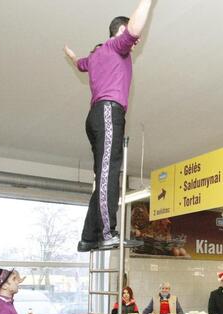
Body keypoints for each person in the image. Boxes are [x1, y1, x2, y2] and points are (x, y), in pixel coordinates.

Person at [64, 0, 153, 252]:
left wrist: (72, 56)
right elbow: (134, 29)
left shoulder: (94, 56)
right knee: (109, 174)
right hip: (107, 112)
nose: (135, 42)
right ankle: (107, 232)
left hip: (97, 116)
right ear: (120, 32)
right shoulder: (116, 46)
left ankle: (88, 237)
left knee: (103, 174)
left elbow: (80, 64)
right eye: (131, 38)